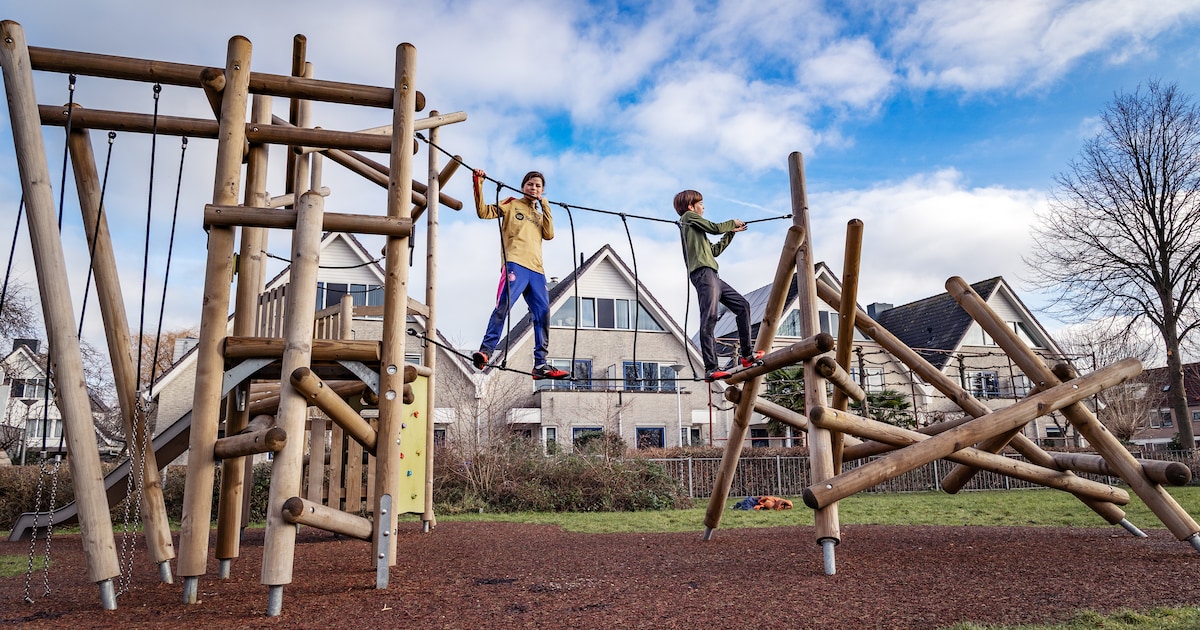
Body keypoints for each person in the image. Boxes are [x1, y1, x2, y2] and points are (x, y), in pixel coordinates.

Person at [471, 168, 569, 380]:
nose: (533, 188)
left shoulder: (539, 213)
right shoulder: (511, 203)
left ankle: (540, 364)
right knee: (504, 305)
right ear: (523, 186)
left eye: (538, 186)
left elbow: (549, 234)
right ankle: (486, 351)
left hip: (537, 271)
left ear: (542, 190)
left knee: (543, 314)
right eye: (530, 184)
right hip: (515, 264)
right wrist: (478, 183)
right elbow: (483, 212)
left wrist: (545, 207)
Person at [674, 189, 762, 381]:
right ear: (691, 206)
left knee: (742, 305)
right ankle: (711, 368)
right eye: (701, 203)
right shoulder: (688, 218)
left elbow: (714, 251)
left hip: (713, 275)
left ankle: (747, 355)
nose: (703, 207)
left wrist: (730, 233)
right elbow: (714, 227)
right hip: (703, 274)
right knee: (710, 316)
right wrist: (733, 222)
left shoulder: (696, 230)